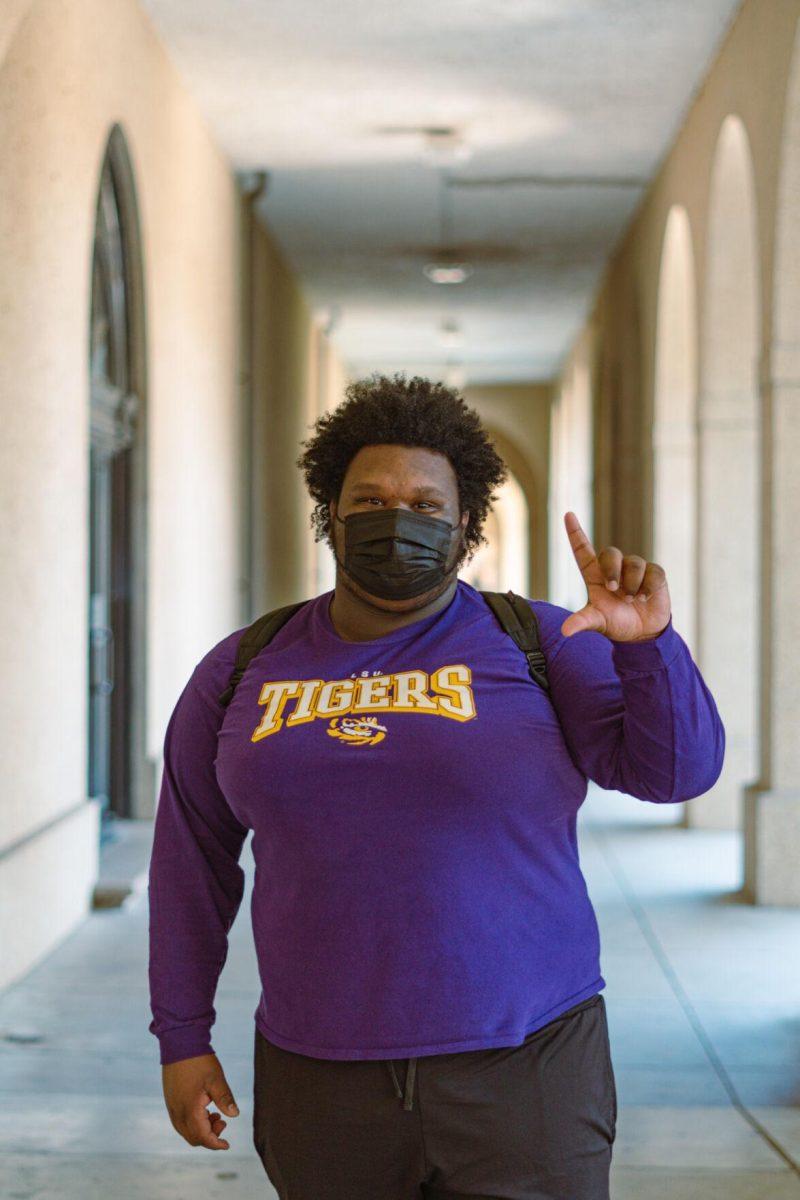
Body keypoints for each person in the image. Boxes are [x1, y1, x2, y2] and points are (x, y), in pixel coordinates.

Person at [148, 372, 725, 1200]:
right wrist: (182, 1035)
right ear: (331, 513)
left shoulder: (541, 640)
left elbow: (678, 773)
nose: (398, 519)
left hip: (526, 1072)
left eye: (426, 503)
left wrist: (649, 647)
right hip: (321, 1077)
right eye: (371, 498)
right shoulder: (243, 666)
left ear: (465, 524)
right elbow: (189, 862)